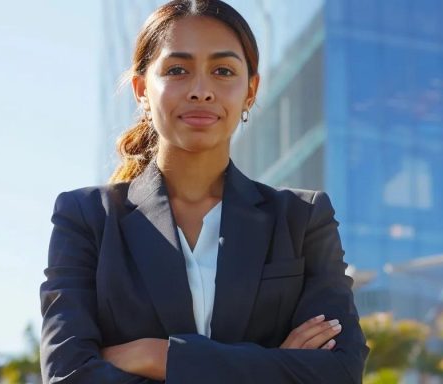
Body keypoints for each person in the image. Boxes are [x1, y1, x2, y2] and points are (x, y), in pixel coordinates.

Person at [39, 1, 368, 382]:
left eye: (223, 71)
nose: (201, 90)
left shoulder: (302, 218)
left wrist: (157, 355)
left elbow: (339, 371)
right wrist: (275, 366)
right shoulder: (86, 217)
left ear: (251, 90)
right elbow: (69, 375)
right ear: (142, 89)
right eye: (177, 70)